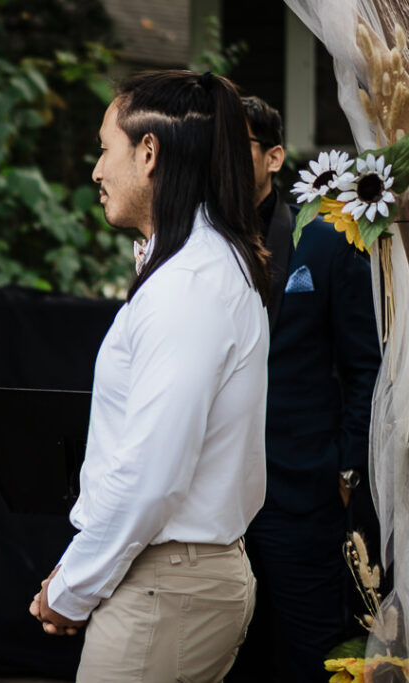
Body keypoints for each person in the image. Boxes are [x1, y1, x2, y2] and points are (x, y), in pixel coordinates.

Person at [29, 70, 271, 682]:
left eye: (104, 149)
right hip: (170, 576)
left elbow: (152, 472)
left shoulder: (188, 286)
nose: (96, 171)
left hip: (169, 583)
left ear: (149, 152)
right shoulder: (195, 265)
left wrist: (74, 585)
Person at [227, 96, 380, 683]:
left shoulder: (325, 240)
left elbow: (365, 367)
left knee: (307, 655)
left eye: (236, 147)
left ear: (272, 157)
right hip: (220, 504)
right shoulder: (198, 242)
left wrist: (345, 470)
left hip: (304, 496)